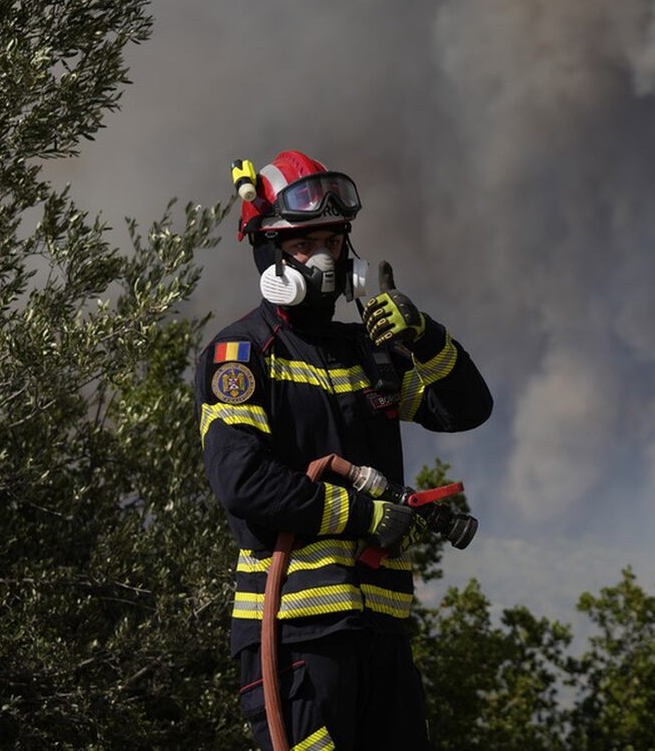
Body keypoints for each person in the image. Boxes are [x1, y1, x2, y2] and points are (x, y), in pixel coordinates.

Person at [195, 150, 492, 750]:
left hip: (381, 634)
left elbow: (466, 409)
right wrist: (364, 515)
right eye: (308, 244)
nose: (327, 259)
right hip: (296, 638)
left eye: (334, 240)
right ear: (269, 252)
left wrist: (426, 335)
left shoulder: (371, 354)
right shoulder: (242, 357)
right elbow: (243, 482)